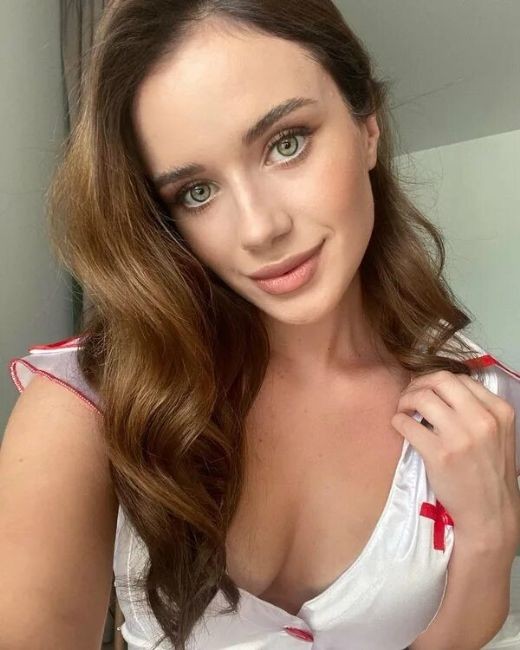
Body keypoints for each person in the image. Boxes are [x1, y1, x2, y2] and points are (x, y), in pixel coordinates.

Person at [2, 1, 520, 649]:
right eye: (196, 191)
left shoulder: (483, 405)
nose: (259, 229)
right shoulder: (90, 403)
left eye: (286, 143)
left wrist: (490, 540)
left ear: (367, 126)